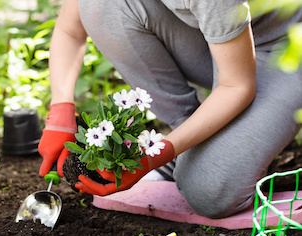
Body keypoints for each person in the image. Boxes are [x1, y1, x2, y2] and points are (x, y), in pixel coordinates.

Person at [38, 0, 302, 219]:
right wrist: (60, 111)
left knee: (208, 192)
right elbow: (70, 30)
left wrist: (152, 158)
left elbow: (236, 86)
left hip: (286, 46)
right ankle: (193, 144)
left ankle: (214, 154)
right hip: (220, 41)